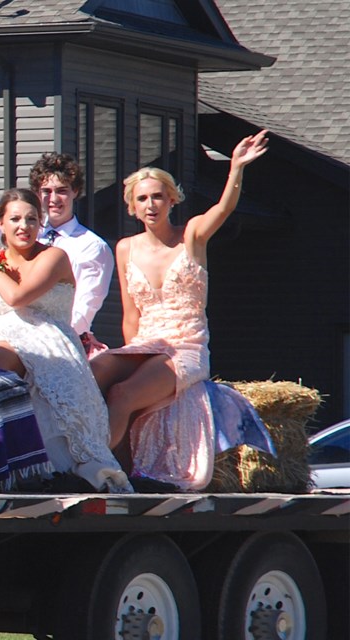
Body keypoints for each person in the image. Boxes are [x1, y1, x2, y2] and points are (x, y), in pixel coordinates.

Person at [89, 130, 270, 490]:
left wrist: (236, 168)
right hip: (147, 343)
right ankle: (71, 453)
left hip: (185, 348)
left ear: (172, 200)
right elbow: (130, 315)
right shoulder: (125, 248)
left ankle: (97, 470)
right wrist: (131, 358)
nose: (151, 204)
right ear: (132, 207)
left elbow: (223, 209)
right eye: (143, 198)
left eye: (158, 196)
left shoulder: (192, 235)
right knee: (95, 370)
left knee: (122, 395)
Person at [0, 188, 131, 493]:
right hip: (4, 338)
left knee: (3, 360)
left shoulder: (54, 256)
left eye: (31, 219)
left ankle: (47, 461)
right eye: (14, 219)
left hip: (52, 341)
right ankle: (1, 451)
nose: (23, 226)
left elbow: (17, 297)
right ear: (0, 224)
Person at [0, 103, 113, 355]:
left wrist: (41, 346)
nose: (54, 198)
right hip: (7, 343)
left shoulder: (92, 246)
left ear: (75, 192)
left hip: (61, 344)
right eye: (46, 191)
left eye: (62, 191)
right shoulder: (23, 232)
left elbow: (84, 309)